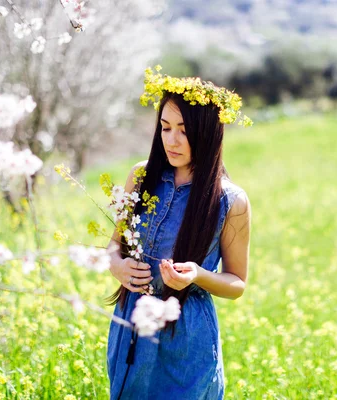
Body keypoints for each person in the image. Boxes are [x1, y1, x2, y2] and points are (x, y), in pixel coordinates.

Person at [106, 70, 251, 399]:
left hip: (185, 336)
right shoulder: (141, 177)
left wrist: (197, 274)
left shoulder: (230, 201)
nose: (171, 140)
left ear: (207, 133)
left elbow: (237, 283)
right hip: (130, 324)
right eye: (165, 127)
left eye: (183, 131)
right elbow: (114, 246)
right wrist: (117, 266)